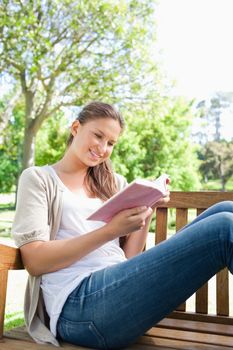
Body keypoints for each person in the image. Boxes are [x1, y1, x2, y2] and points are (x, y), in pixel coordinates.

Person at [12, 101, 233, 350]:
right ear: (75, 128)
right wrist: (109, 231)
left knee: (226, 208)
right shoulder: (39, 179)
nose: (102, 148)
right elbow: (35, 261)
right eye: (98, 135)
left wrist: (148, 209)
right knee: (224, 228)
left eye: (111, 143)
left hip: (117, 295)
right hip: (78, 308)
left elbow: (126, 258)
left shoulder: (113, 183)